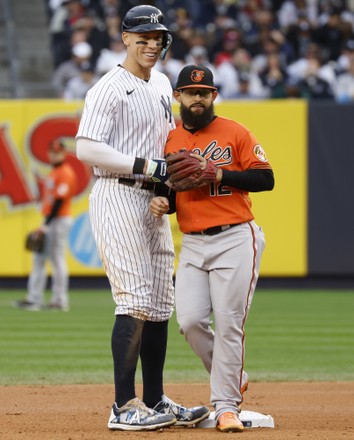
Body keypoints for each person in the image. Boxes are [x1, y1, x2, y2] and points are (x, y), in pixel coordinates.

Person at [75, 5, 210, 432]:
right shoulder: (108, 88)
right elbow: (86, 149)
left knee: (158, 306)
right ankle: (122, 406)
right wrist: (148, 168)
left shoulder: (163, 83)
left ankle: (154, 400)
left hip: (152, 201)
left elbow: (165, 152)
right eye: (143, 37)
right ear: (126, 39)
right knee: (133, 299)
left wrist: (163, 188)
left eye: (158, 38)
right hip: (117, 196)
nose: (152, 44)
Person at [150, 65, 275, 432]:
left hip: (236, 237)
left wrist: (220, 173)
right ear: (179, 97)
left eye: (204, 92)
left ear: (214, 96)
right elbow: (172, 188)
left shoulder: (235, 132)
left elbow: (265, 178)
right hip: (193, 241)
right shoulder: (170, 139)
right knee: (189, 322)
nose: (198, 98)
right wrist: (164, 202)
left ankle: (225, 407)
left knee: (230, 323)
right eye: (191, 92)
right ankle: (234, 375)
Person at [14, 139, 77, 312]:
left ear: (63, 153)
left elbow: (59, 201)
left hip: (59, 219)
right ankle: (34, 298)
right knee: (40, 259)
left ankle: (59, 300)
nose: (53, 154)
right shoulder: (54, 172)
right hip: (51, 219)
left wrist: (46, 225)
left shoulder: (65, 172)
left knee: (57, 259)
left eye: (57, 152)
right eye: (52, 151)